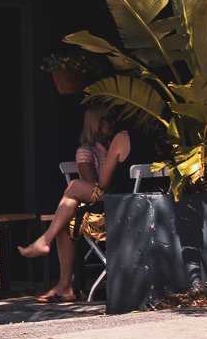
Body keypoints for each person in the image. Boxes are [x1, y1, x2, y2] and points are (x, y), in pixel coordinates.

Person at [17, 104, 131, 302]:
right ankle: (64, 285)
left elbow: (95, 186)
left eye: (113, 120)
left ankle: (47, 245)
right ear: (96, 123)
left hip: (116, 202)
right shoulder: (86, 151)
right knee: (66, 218)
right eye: (107, 120)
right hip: (101, 200)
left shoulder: (118, 143)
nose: (111, 124)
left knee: (72, 191)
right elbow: (93, 186)